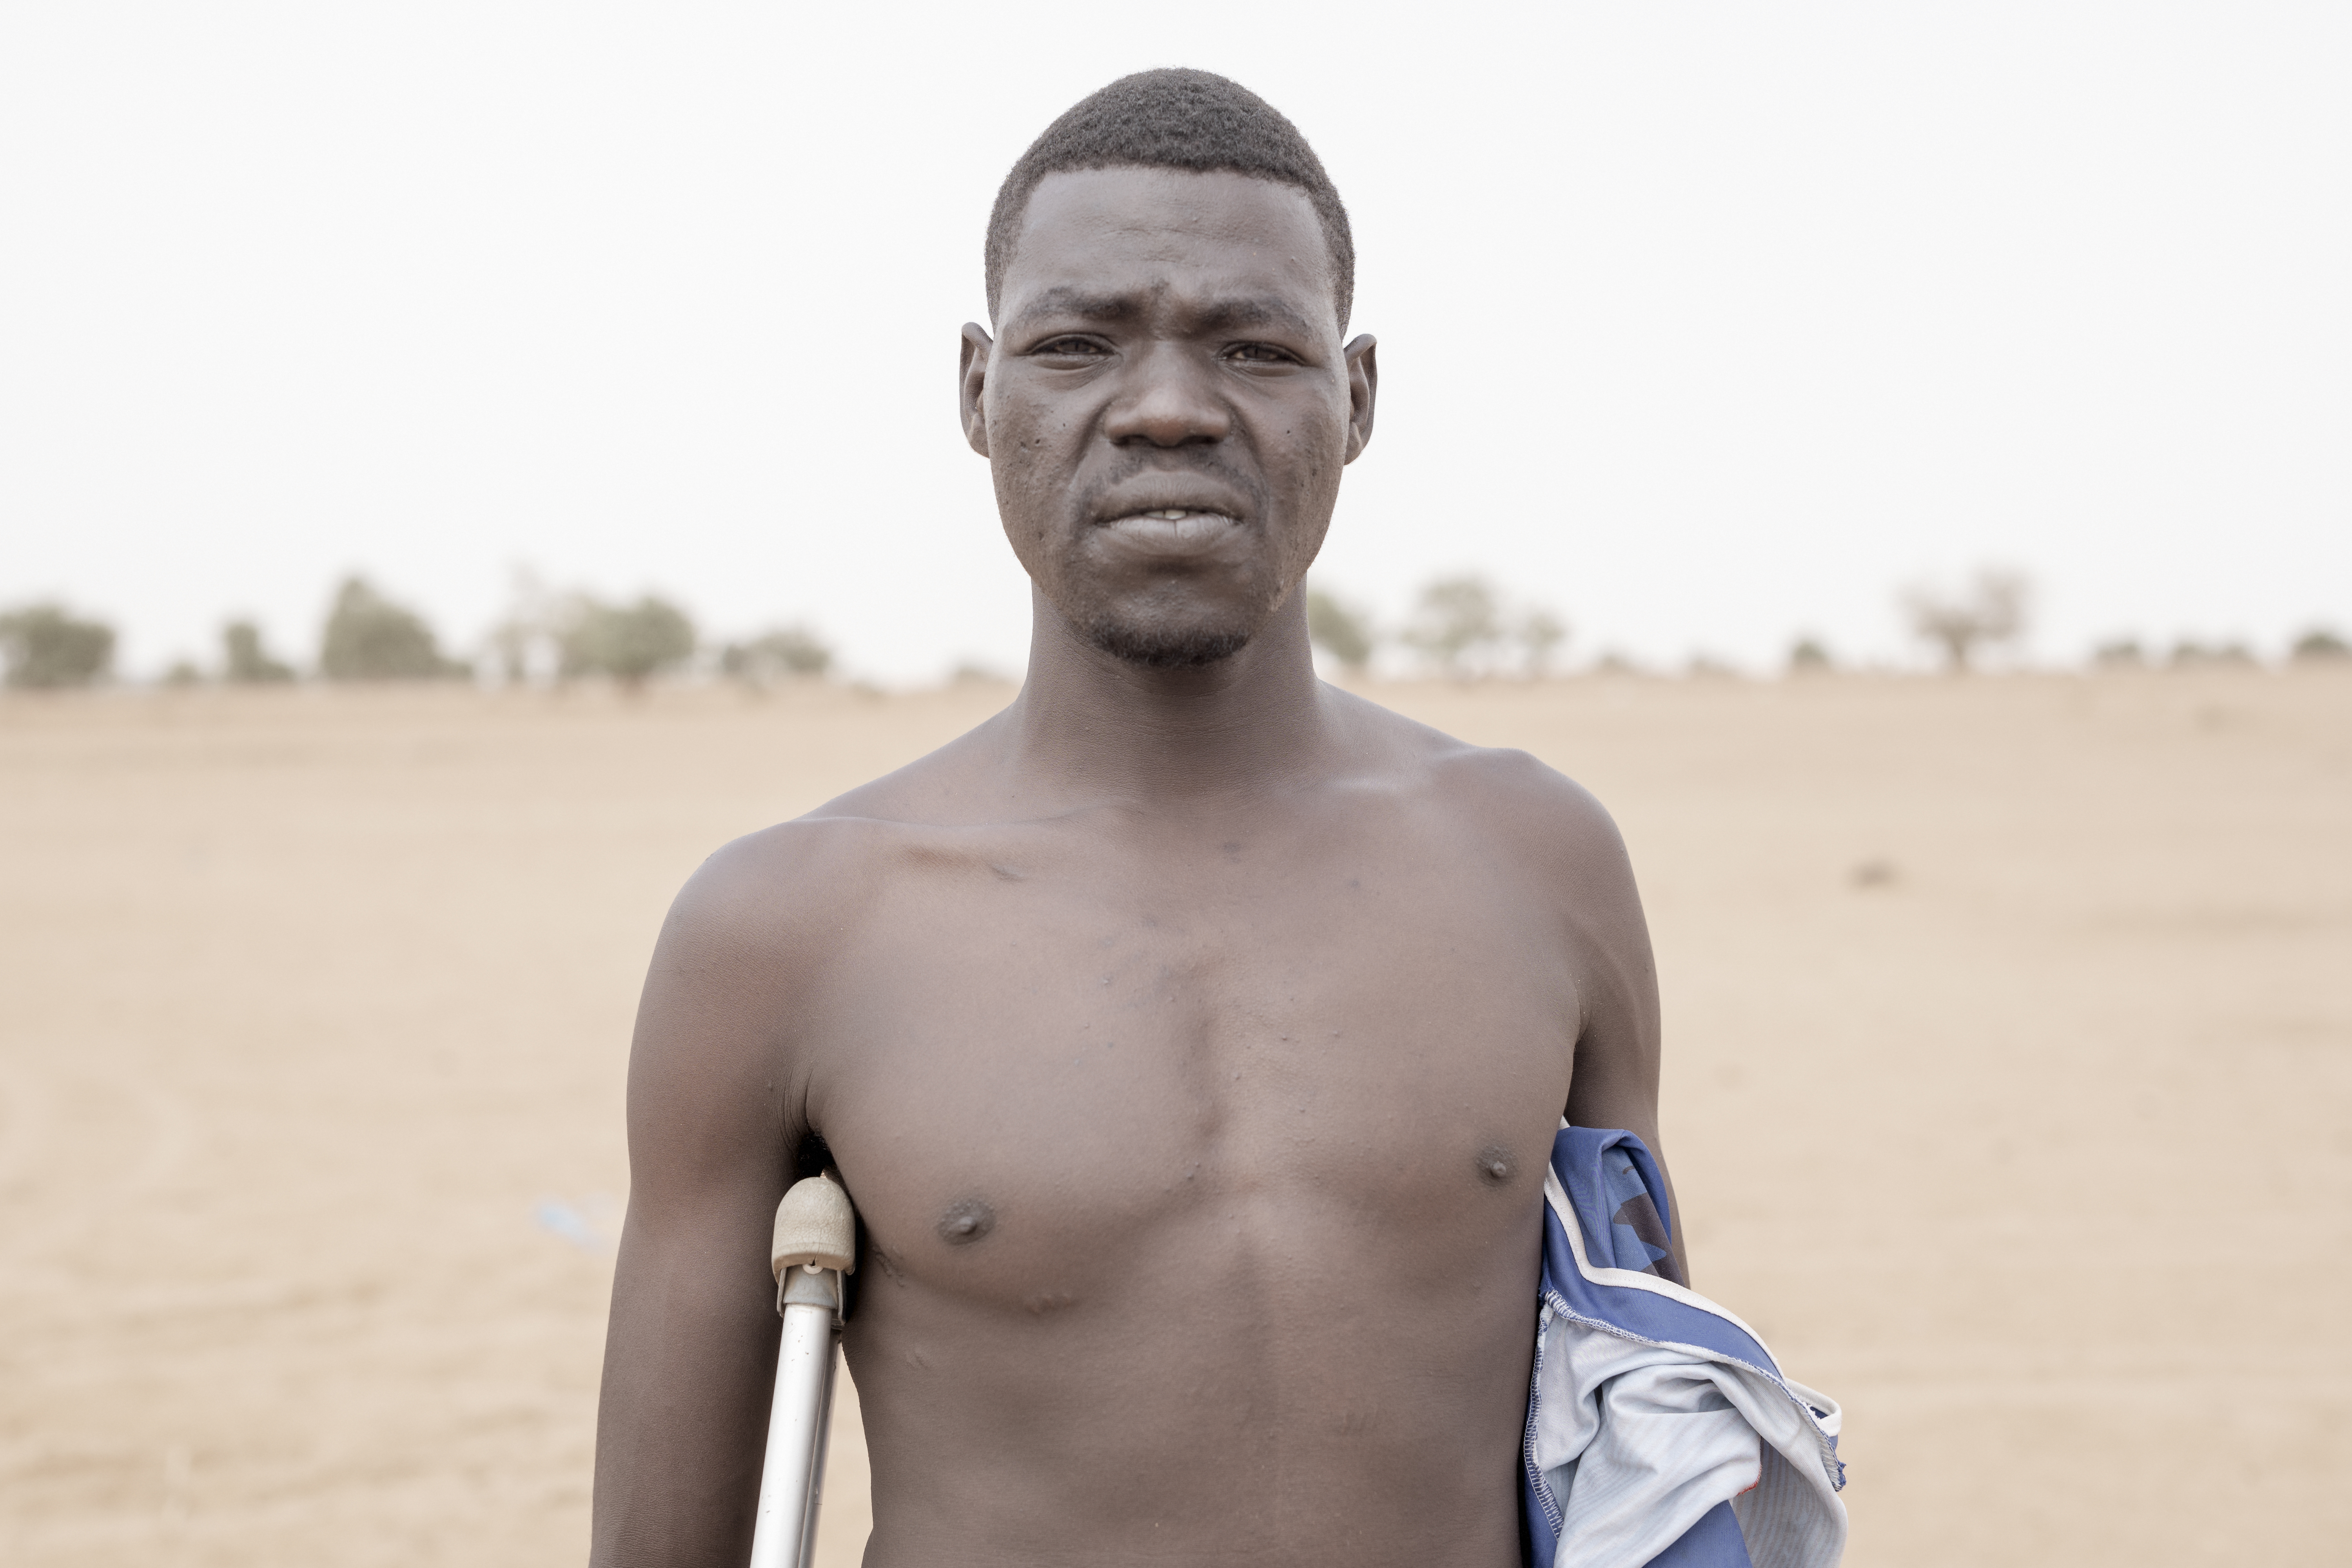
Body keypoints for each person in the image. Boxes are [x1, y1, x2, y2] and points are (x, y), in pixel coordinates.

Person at [590, 68, 1687, 1568]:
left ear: (1355, 398)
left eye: (1253, 346)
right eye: (1077, 343)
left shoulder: (1540, 865)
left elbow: (1656, 1451)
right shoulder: (786, 934)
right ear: (979, 391)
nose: (1168, 408)